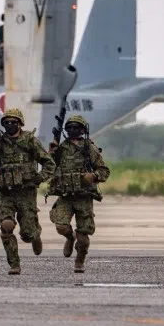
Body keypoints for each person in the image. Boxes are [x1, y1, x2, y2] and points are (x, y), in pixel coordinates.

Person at [0, 107, 56, 275]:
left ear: (20, 124)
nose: (10, 125)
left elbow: (49, 163)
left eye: (14, 122)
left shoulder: (30, 141)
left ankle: (35, 235)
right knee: (6, 226)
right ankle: (14, 264)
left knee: (27, 234)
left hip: (26, 193)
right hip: (6, 194)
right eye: (7, 123)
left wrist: (39, 178)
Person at [47, 114, 110, 276]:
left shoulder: (89, 148)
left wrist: (93, 176)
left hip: (83, 196)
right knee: (61, 226)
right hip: (66, 196)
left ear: (82, 130)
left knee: (84, 236)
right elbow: (49, 167)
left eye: (76, 128)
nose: (72, 131)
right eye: (69, 128)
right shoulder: (61, 148)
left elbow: (104, 170)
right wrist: (51, 152)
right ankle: (70, 237)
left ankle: (80, 260)